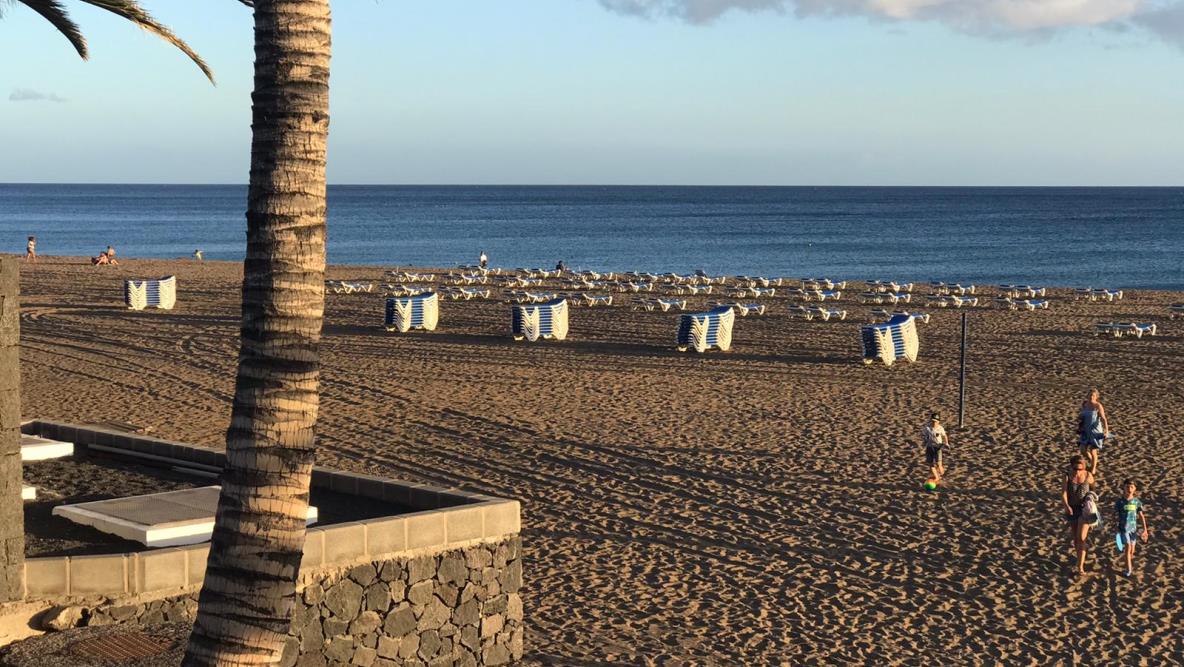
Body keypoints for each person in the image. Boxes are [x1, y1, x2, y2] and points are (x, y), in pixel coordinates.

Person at [1062, 454, 1097, 575]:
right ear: (1071, 467)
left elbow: (1093, 490)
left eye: (1080, 468)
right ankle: (1079, 559)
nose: (1078, 471)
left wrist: (1090, 500)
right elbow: (1064, 493)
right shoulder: (1067, 476)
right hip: (1072, 509)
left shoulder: (1088, 475)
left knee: (1081, 538)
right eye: (1075, 468)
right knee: (1076, 539)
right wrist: (1066, 506)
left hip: (1084, 510)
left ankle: (1080, 567)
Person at [1114, 479, 1149, 577]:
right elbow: (1115, 515)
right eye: (1127, 487)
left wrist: (1145, 529)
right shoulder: (1120, 502)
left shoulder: (1137, 502)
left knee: (1132, 551)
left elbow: (1141, 516)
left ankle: (1127, 562)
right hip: (1123, 529)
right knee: (1127, 547)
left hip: (1133, 529)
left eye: (1131, 487)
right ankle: (1128, 570)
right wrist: (1115, 527)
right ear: (1123, 488)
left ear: (1135, 489)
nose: (1129, 489)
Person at [1077, 388, 1110, 476]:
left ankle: (1093, 469)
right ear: (1087, 396)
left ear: (1096, 397)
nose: (1091, 397)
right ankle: (1092, 461)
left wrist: (1106, 430)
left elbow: (1103, 418)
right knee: (1082, 450)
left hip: (1095, 431)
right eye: (1090, 395)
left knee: (1093, 450)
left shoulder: (1098, 406)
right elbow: (1082, 416)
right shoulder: (1084, 404)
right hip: (1085, 430)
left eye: (1093, 395)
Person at [921, 412, 949, 483]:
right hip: (929, 447)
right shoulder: (927, 428)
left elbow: (944, 436)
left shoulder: (940, 428)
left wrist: (946, 443)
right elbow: (924, 436)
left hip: (938, 448)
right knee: (931, 464)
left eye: (935, 421)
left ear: (938, 421)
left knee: (939, 465)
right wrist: (924, 441)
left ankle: (942, 475)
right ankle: (937, 478)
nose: (934, 423)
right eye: (932, 421)